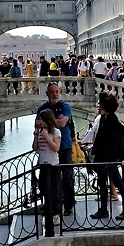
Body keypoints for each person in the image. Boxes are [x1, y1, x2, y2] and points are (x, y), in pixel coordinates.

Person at [90, 91, 124, 222]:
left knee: (118, 183)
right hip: (103, 157)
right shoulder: (103, 119)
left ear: (105, 106)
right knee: (102, 183)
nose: (98, 106)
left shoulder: (114, 123)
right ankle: (103, 210)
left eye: (100, 105)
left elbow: (116, 142)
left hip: (111, 157)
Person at [36, 83, 75, 215]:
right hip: (48, 150)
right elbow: (37, 124)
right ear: (47, 93)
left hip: (64, 146)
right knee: (47, 180)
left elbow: (63, 122)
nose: (55, 94)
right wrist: (55, 121)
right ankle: (51, 205)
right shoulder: (43, 107)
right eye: (52, 92)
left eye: (57, 91)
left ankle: (69, 205)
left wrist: (47, 122)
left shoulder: (65, 106)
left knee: (67, 177)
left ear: (60, 92)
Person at [32, 108, 62, 235]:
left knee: (53, 190)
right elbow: (35, 148)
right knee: (44, 189)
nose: (40, 122)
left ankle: (55, 214)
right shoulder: (40, 132)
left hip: (53, 165)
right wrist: (36, 136)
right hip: (43, 165)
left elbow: (56, 148)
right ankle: (47, 212)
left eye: (42, 120)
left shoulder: (56, 132)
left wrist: (45, 136)